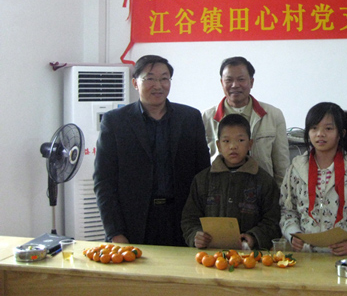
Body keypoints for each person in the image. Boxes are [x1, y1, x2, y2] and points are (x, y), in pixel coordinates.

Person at [93, 55, 211, 246]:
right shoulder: (115, 122)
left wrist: (202, 225)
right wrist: (115, 232)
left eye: (164, 78)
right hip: (135, 222)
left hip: (183, 221)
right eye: (150, 78)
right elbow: (104, 181)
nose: (158, 85)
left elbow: (203, 175)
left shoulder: (190, 118)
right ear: (135, 83)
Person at [280, 102, 347, 256]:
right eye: (314, 128)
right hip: (306, 256)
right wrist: (293, 234)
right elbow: (287, 210)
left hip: (345, 257)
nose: (320, 134)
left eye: (328, 128)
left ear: (341, 133)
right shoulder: (296, 169)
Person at [181, 114, 281, 250]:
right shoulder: (202, 180)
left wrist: (253, 237)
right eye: (226, 141)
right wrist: (195, 235)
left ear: (250, 144)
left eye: (240, 140)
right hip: (209, 255)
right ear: (218, 145)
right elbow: (189, 219)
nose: (233, 146)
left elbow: (273, 221)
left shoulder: (264, 181)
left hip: (249, 256)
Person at [203, 56, 289, 187]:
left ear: (251, 82)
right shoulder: (206, 118)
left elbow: (282, 165)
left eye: (241, 79)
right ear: (221, 83)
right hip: (220, 192)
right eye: (229, 80)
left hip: (263, 192)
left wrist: (280, 195)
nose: (235, 85)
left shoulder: (273, 115)